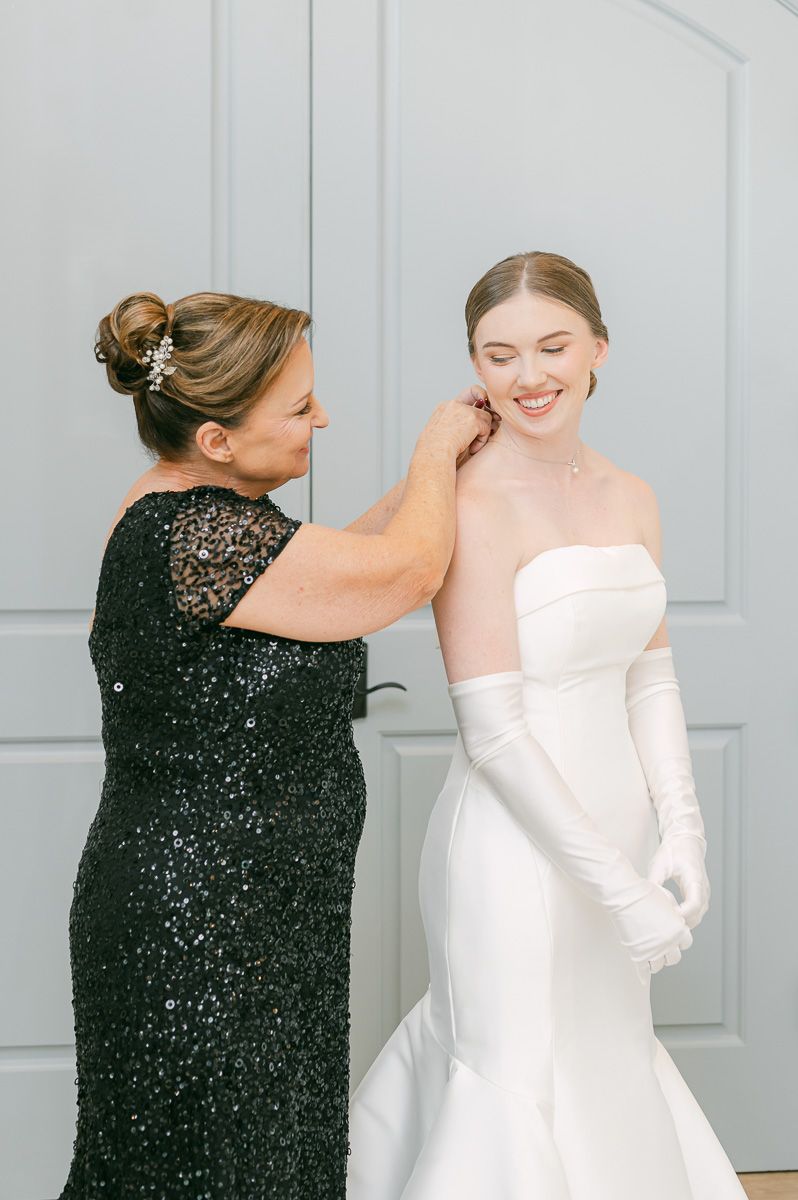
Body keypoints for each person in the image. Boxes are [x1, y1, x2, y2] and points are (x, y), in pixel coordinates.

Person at [59, 289, 493, 1199]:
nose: (320, 417)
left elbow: (333, 561)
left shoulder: (192, 513)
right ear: (217, 438)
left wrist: (440, 480)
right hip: (204, 925)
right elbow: (405, 570)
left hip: (255, 915)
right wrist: (435, 452)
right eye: (299, 408)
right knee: (216, 1171)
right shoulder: (196, 533)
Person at [346, 252, 748, 1199]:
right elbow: (493, 732)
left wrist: (681, 829)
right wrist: (617, 891)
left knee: (607, 1055)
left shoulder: (631, 495)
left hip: (622, 827)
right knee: (516, 1064)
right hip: (511, 850)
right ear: (474, 367)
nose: (529, 376)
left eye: (553, 346)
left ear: (598, 348)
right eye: (500, 354)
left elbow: (650, 680)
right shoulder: (472, 501)